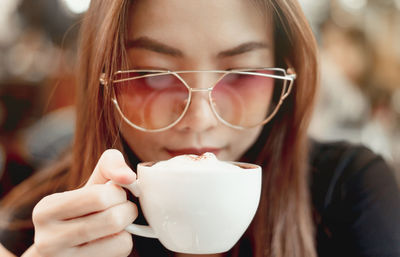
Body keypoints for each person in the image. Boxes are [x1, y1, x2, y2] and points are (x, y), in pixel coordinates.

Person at [0, 0, 399, 257]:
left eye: (241, 74)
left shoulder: (351, 194)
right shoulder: (42, 228)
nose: (201, 118)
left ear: (284, 78)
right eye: (153, 75)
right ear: (104, 81)